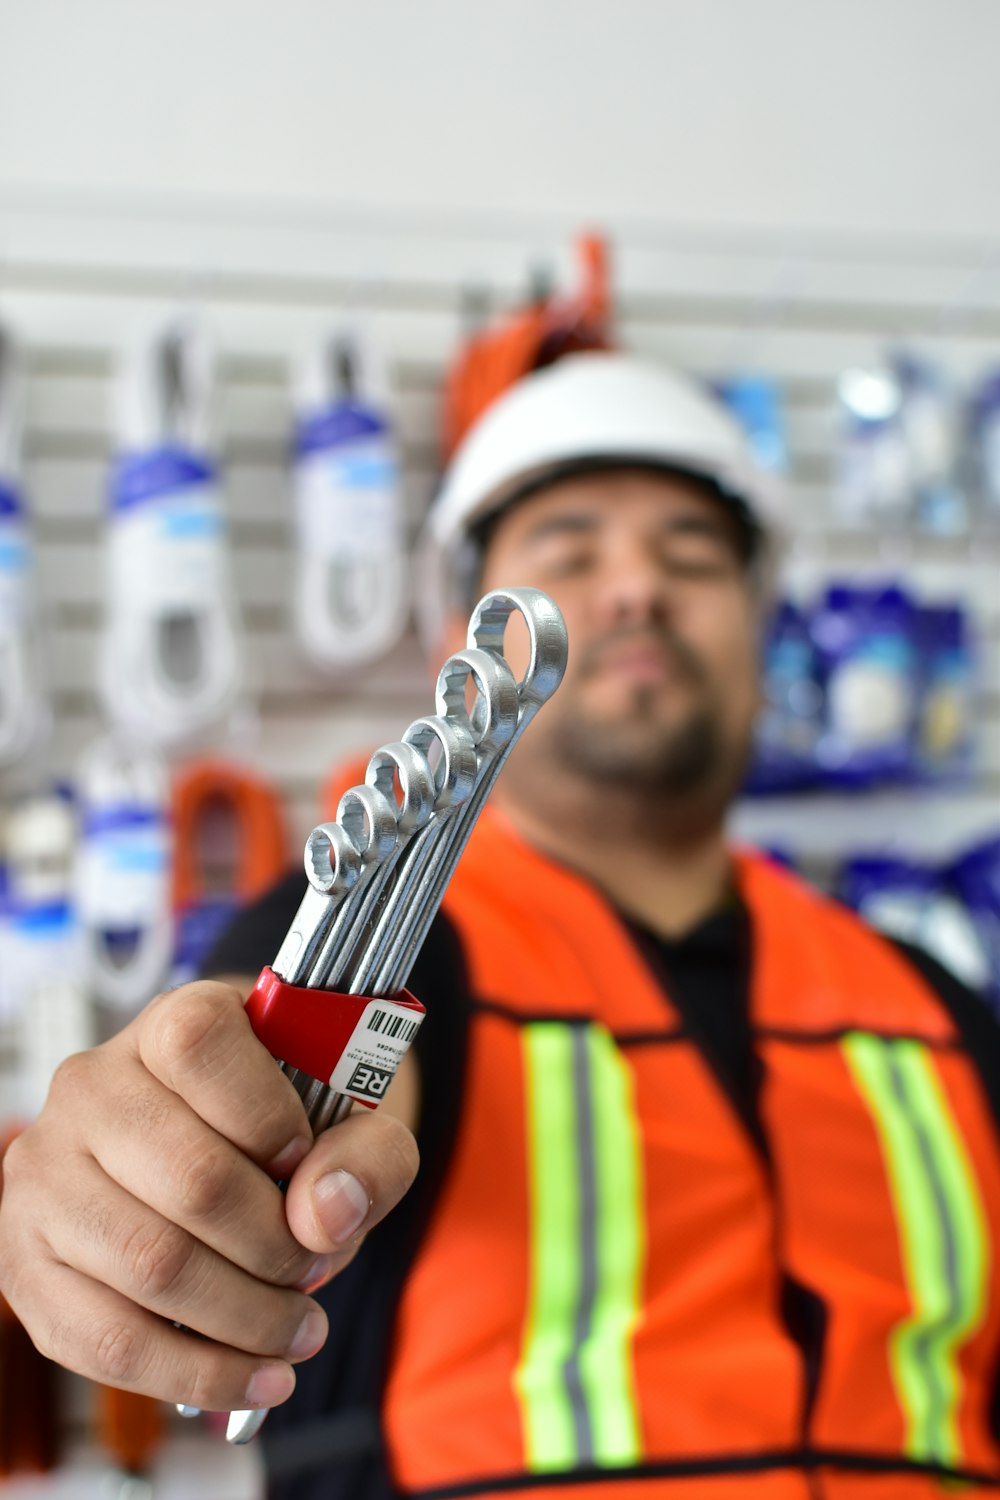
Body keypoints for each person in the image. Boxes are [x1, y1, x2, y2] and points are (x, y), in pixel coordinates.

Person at [2, 353, 1000, 1500]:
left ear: (759, 627)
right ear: (464, 647)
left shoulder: (929, 999)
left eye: (689, 559)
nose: (633, 590)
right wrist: (142, 1148)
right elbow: (239, 1050)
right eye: (571, 554)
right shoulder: (411, 935)